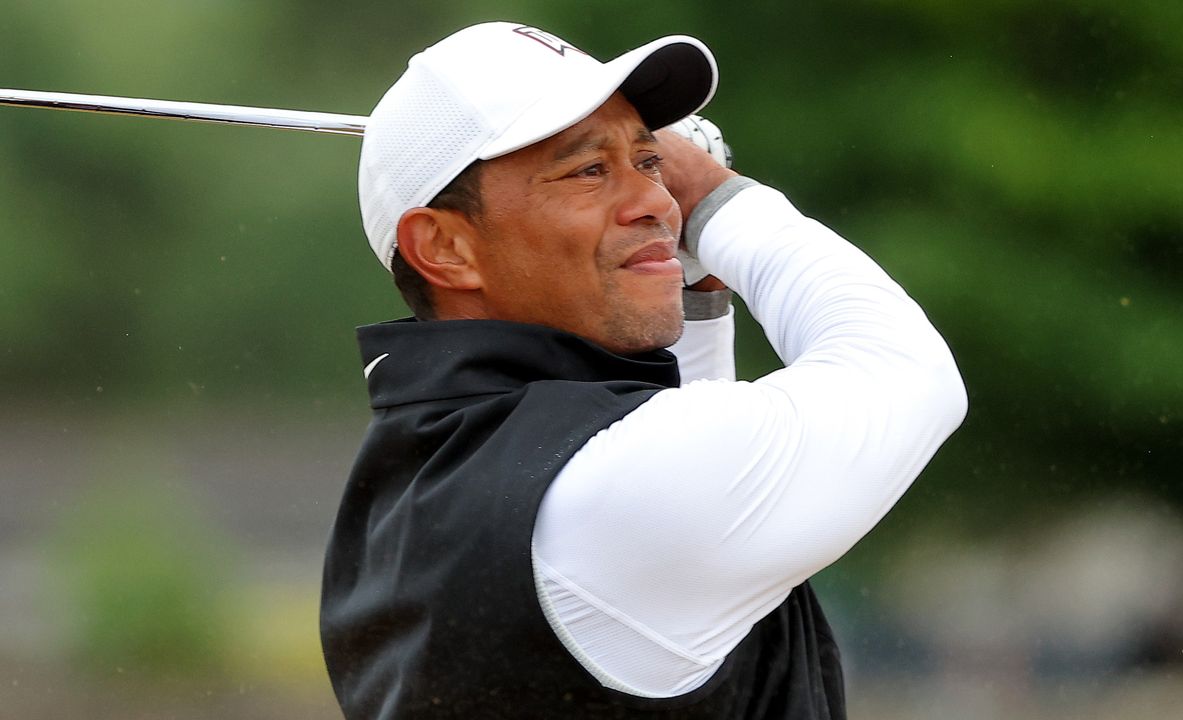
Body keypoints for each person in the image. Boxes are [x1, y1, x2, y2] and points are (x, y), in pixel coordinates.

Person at [319, 20, 967, 720]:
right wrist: (724, 201)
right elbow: (908, 373)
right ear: (445, 247)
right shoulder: (599, 493)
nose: (658, 203)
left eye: (650, 162)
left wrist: (690, 283)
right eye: (589, 171)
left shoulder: (419, 482)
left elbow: (669, 431)